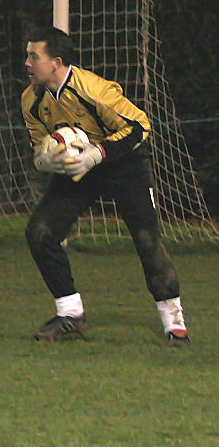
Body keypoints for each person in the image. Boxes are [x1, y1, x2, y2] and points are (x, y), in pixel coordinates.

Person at [21, 26, 189, 347]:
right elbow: (39, 144)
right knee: (40, 232)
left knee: (147, 241)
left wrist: (97, 153)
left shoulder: (92, 88)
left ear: (56, 61)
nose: (27, 63)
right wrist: (44, 160)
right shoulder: (31, 99)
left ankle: (174, 321)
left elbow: (140, 125)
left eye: (34, 56)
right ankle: (70, 314)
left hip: (123, 164)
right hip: (79, 170)